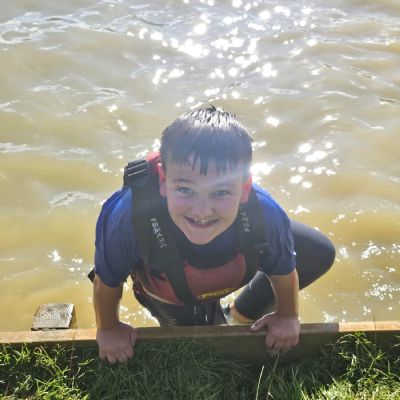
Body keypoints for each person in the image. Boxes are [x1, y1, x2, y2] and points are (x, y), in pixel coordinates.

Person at [92, 106, 335, 364]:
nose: (202, 211)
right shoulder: (128, 217)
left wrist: (287, 316)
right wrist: (108, 329)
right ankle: (207, 321)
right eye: (185, 189)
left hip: (229, 269)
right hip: (168, 289)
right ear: (163, 180)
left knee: (318, 252)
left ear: (245, 188)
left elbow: (284, 271)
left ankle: (239, 315)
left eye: (221, 192)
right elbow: (106, 281)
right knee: (198, 345)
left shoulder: (266, 214)